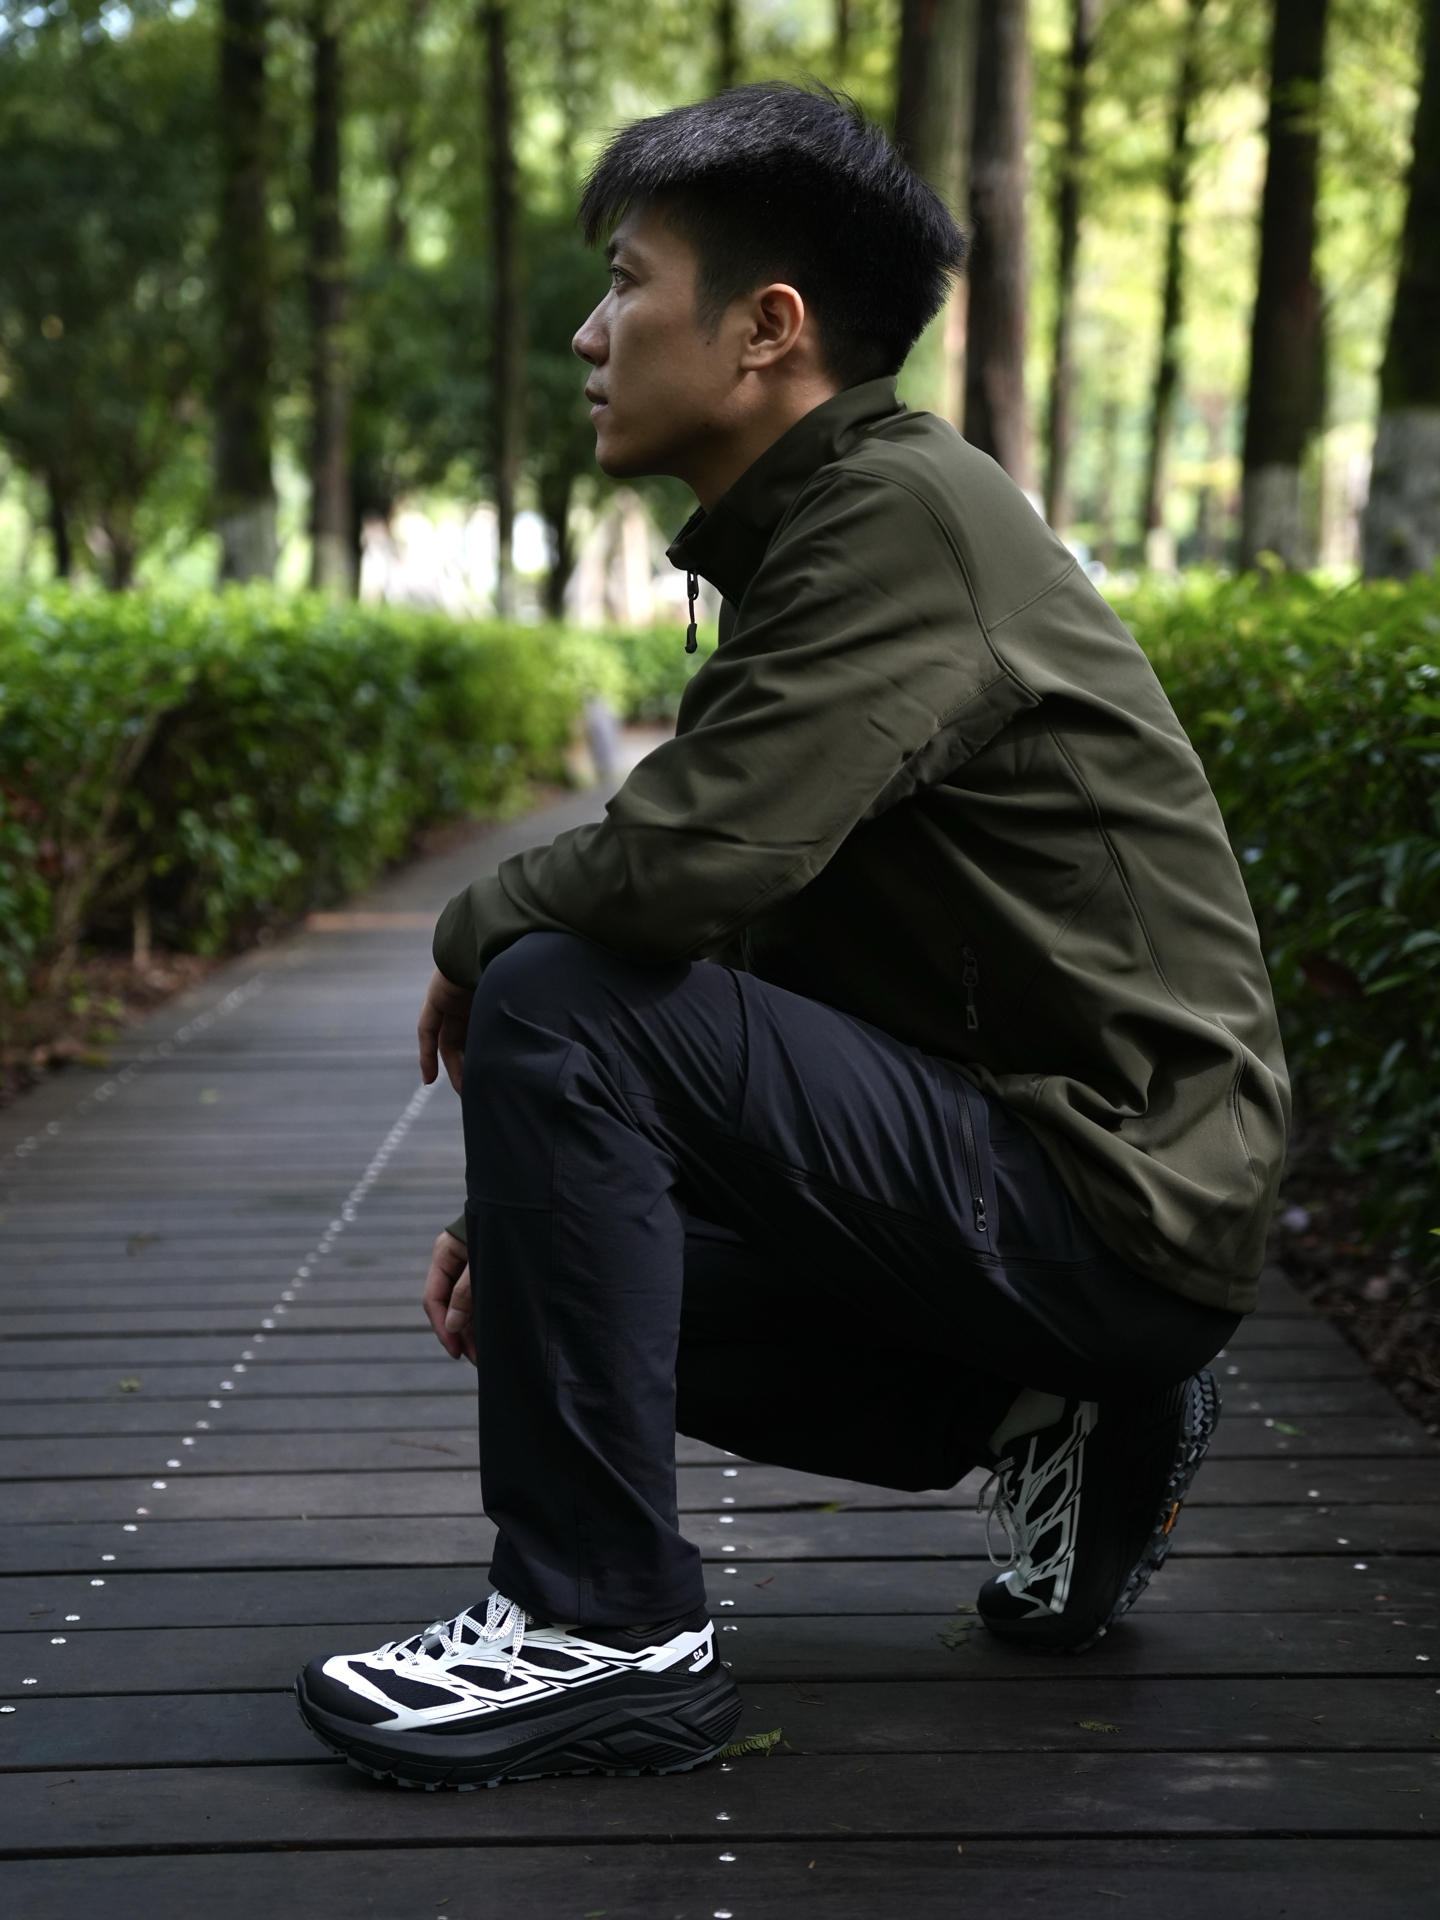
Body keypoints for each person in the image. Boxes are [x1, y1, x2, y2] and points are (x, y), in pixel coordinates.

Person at [296, 84, 1288, 1791]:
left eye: (629, 283)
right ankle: (1060, 1414)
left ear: (768, 328)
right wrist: (516, 1207)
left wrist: (469, 927)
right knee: (553, 1255)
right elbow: (753, 933)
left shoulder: (901, 517)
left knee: (553, 982)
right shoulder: (822, 529)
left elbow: (681, 875)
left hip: (1112, 1188)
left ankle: (602, 1626)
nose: (591, 334)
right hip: (1040, 1182)